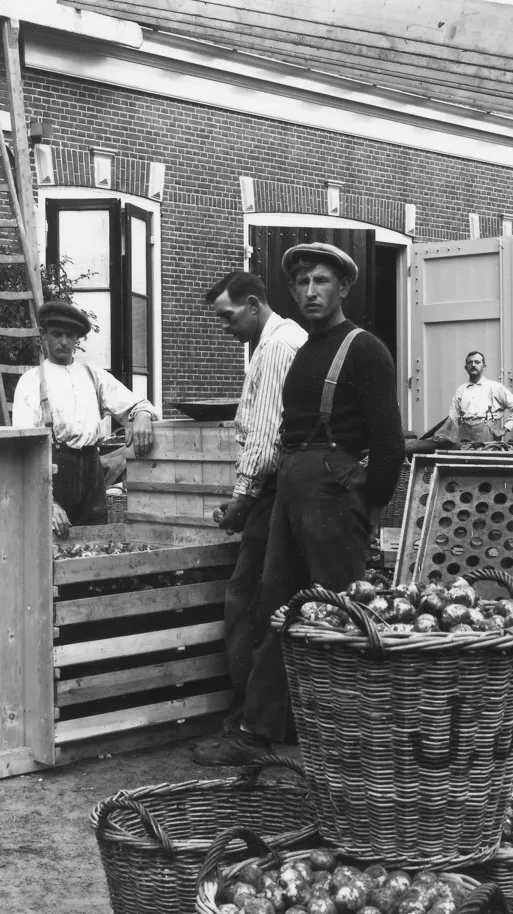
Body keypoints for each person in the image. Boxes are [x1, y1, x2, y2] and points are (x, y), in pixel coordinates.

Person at [193, 242, 405, 766]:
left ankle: (359, 739)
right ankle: (258, 732)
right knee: (278, 612)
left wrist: (370, 510)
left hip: (334, 496)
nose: (311, 291)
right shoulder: (305, 350)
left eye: (322, 281)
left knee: (342, 617)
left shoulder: (364, 349)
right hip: (292, 487)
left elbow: (389, 443)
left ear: (344, 288)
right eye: (303, 282)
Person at [206, 270, 307, 728]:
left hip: (273, 489)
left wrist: (242, 498)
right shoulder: (277, 342)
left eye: (228, 317)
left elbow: (266, 438)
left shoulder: (277, 347)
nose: (225, 327)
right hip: (286, 487)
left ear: (252, 304)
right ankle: (273, 714)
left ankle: (250, 714)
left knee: (245, 599)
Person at [12, 300, 159, 536]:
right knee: (53, 546)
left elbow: (135, 404)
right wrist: (46, 501)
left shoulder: (92, 375)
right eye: (57, 334)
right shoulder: (31, 382)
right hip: (52, 473)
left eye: (70, 335)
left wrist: (141, 416)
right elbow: (23, 448)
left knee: (97, 541)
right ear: (43, 335)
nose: (64, 342)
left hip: (92, 471)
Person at [448, 351, 513, 443]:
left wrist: (505, 429)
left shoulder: (495, 387)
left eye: (477, 362)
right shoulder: (460, 390)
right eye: (470, 363)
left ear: (483, 366)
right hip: (464, 437)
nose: (473, 365)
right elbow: (453, 418)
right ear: (466, 368)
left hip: (488, 436)